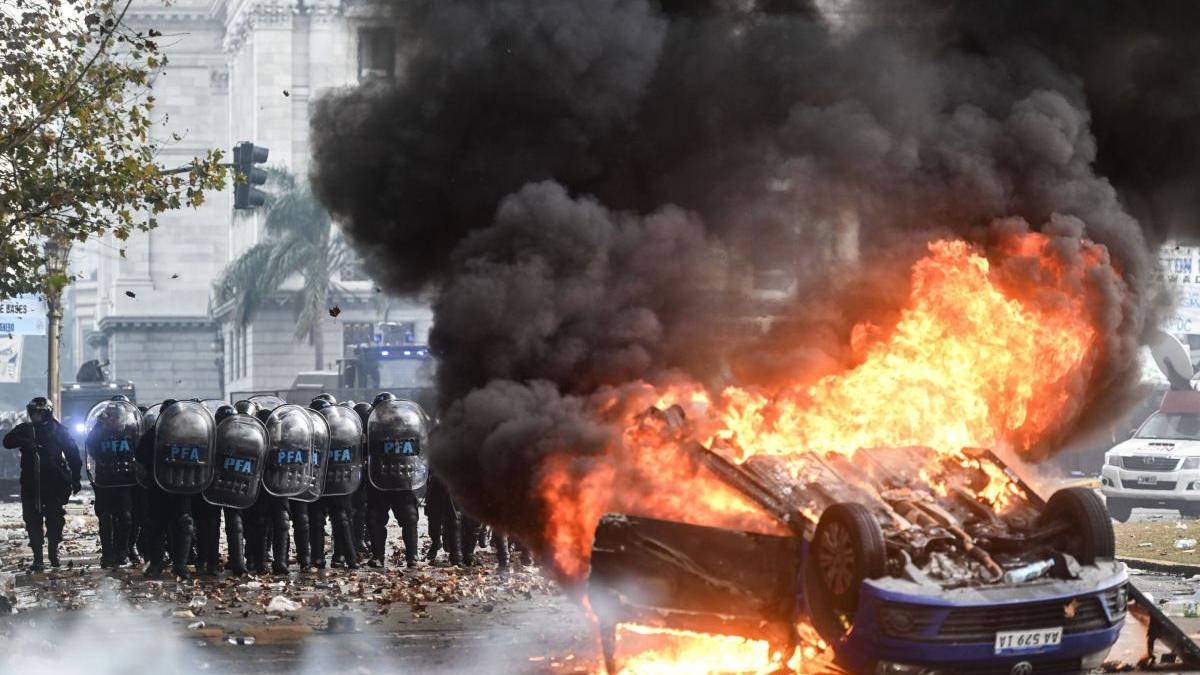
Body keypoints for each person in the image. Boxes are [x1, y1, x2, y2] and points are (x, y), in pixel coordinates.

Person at [2, 397, 82, 572]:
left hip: (54, 483)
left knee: (55, 519)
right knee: (32, 519)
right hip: (31, 483)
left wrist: (76, 478)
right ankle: (38, 556)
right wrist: (26, 442)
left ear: (46, 413)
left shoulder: (58, 430)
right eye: (33, 413)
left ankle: (53, 549)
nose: (35, 416)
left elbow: (73, 454)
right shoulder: (26, 429)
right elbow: (7, 441)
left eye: (39, 413)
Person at [135, 399, 197, 579]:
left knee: (183, 524)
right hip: (160, 486)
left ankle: (180, 565)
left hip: (180, 486)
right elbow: (140, 455)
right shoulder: (153, 434)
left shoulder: (189, 434)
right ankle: (157, 563)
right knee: (158, 525)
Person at [86, 395, 139, 569]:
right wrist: (100, 426)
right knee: (105, 517)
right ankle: (107, 555)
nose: (114, 419)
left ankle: (121, 553)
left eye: (117, 416)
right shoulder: (98, 431)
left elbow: (139, 450)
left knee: (126, 517)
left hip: (126, 481)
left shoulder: (131, 430)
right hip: (105, 480)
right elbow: (91, 447)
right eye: (111, 415)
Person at [424, 473, 461, 565]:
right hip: (435, 483)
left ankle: (456, 553)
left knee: (453, 519)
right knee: (433, 519)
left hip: (453, 482)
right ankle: (436, 542)